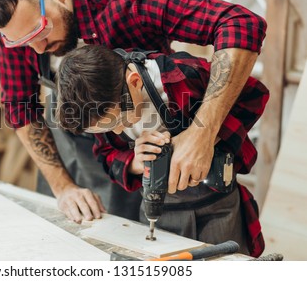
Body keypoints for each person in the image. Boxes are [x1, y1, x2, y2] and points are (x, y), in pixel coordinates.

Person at [0, 0, 267, 225]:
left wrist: (201, 135)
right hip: (73, 158)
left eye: (41, 32)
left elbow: (240, 23)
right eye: (23, 42)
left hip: (135, 152)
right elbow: (20, 106)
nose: (38, 49)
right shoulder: (17, 26)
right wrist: (63, 187)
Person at [56, 45, 269, 256]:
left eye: (119, 120)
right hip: (159, 209)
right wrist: (135, 162)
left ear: (135, 82)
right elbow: (106, 154)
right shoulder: (98, 105)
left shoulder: (182, 76)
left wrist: (202, 137)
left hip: (217, 206)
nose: (118, 130)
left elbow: (253, 96)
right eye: (108, 127)